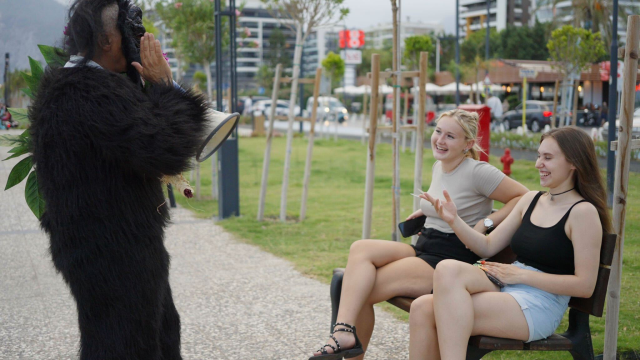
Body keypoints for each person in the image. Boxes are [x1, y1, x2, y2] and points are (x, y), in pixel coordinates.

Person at [29, 0, 209, 358]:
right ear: (106, 40)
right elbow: (164, 149)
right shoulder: (85, 91)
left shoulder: (81, 86)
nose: (140, 35)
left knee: (160, 333)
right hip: (109, 252)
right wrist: (162, 87)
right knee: (124, 346)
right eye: (129, 27)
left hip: (112, 246)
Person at [310, 109, 529, 359]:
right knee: (360, 248)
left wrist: (488, 220)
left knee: (358, 291)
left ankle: (346, 338)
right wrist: (427, 211)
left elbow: (524, 197)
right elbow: (455, 199)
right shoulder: (440, 165)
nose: (440, 140)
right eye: (438, 131)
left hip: (448, 259)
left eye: (450, 136)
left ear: (467, 144)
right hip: (425, 244)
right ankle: (344, 333)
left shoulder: (478, 171)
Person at [409, 126, 611, 360]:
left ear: (574, 162)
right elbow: (486, 247)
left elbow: (585, 286)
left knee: (430, 311)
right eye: (538, 155)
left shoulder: (582, 212)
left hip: (538, 304)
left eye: (548, 158)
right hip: (506, 286)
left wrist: (521, 276)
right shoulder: (531, 200)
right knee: (428, 296)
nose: (538, 164)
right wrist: (454, 221)